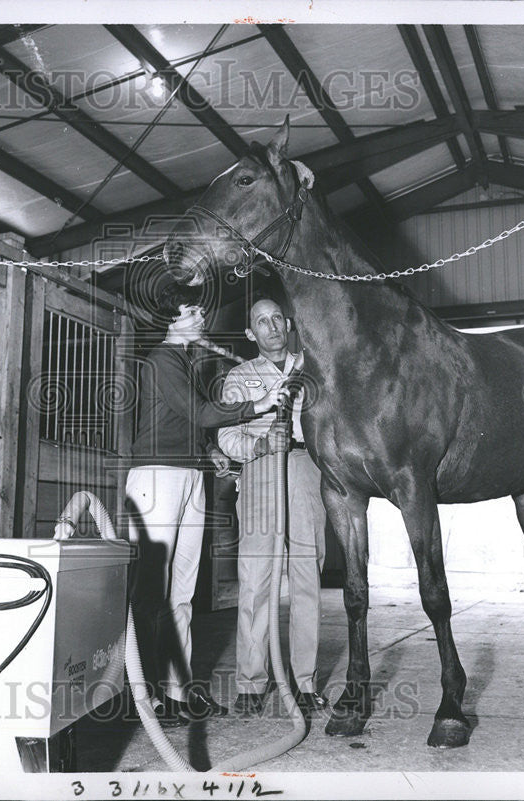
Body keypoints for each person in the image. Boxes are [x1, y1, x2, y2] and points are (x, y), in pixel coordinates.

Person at [126, 283, 281, 728]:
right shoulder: (162, 359)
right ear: (170, 323)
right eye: (191, 312)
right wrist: (259, 404)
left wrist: (205, 452)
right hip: (157, 480)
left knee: (183, 593)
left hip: (189, 475)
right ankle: (145, 695)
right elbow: (200, 412)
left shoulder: (185, 362)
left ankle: (178, 692)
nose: (200, 317)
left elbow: (186, 419)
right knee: (151, 593)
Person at [218, 298, 328, 716]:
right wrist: (261, 443)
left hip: (305, 468)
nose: (271, 327)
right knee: (256, 580)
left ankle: (304, 683)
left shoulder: (313, 367)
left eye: (276, 319)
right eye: (261, 322)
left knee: (306, 577)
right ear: (251, 334)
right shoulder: (239, 377)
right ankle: (251, 682)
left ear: (288, 323)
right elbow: (226, 438)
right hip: (262, 470)